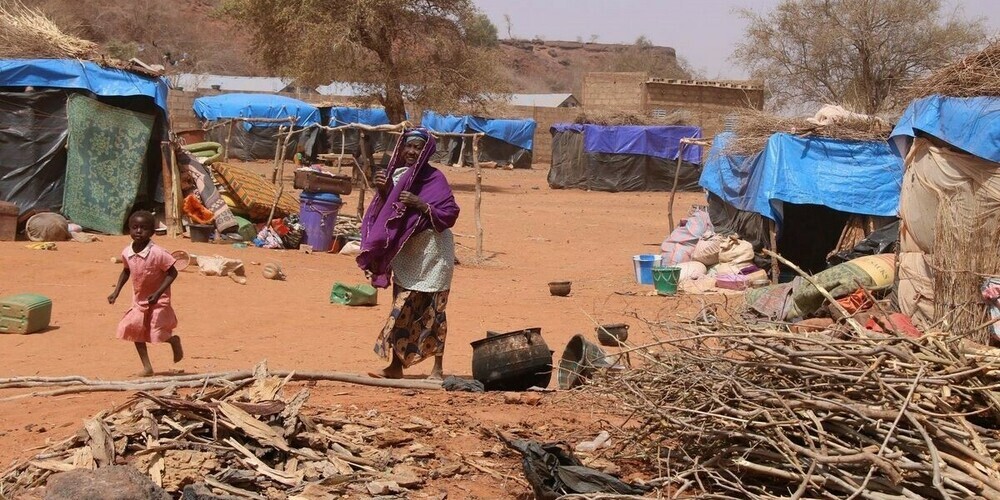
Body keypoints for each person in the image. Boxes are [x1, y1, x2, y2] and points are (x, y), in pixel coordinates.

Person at [357, 128, 460, 380]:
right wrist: (383, 190)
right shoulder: (396, 175)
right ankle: (395, 366)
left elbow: (450, 214)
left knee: (434, 310)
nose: (412, 151)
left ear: (426, 151)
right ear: (401, 149)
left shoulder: (435, 179)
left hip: (434, 253)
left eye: (418, 147)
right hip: (407, 252)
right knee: (401, 306)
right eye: (408, 146)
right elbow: (388, 214)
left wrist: (421, 204)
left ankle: (437, 369)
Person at [108, 210, 184, 376]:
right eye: (135, 227)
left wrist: (157, 293)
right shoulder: (127, 252)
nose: (138, 231)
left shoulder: (157, 253)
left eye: (144, 228)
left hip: (159, 300)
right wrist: (116, 292)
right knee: (135, 329)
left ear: (152, 232)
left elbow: (173, 273)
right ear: (129, 229)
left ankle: (173, 340)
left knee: (156, 332)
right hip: (139, 300)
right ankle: (147, 367)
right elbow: (126, 271)